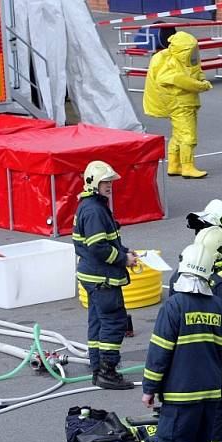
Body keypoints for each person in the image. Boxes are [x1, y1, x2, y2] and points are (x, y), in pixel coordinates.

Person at [142, 242, 222, 442]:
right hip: (211, 395)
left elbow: (159, 352)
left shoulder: (174, 306)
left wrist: (149, 388)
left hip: (181, 395)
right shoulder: (220, 307)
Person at [73, 160, 137, 391]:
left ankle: (97, 366)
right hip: (103, 278)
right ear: (93, 184)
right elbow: (98, 247)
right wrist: (123, 259)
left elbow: (104, 241)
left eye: (110, 181)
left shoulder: (92, 206)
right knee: (113, 321)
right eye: (105, 182)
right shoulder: (94, 210)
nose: (109, 185)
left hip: (94, 276)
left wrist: (124, 251)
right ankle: (108, 371)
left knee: (98, 320)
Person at [143, 31, 213, 178]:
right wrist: (201, 85)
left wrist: (201, 78)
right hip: (179, 104)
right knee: (188, 135)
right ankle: (188, 167)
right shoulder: (168, 65)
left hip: (187, 102)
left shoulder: (183, 61)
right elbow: (183, 81)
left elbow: (196, 70)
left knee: (178, 134)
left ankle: (174, 164)